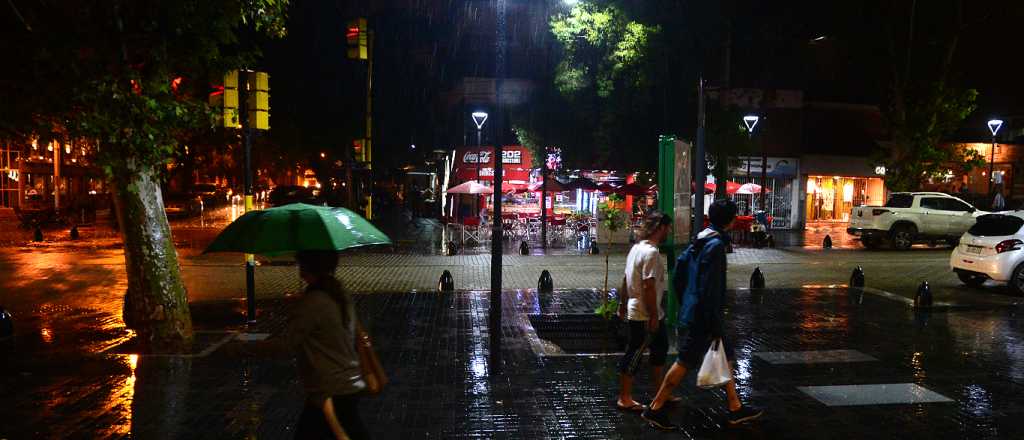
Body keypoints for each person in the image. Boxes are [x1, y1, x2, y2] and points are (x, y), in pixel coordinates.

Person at [641, 200, 762, 430]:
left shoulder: (699, 240)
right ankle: (655, 408)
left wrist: (686, 298)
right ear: (730, 220)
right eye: (734, 216)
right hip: (705, 316)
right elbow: (710, 288)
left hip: (698, 310)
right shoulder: (715, 245)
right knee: (685, 360)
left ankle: (735, 406)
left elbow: (678, 273)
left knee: (725, 355)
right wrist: (709, 316)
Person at [231, 250, 370, 439]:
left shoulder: (314, 301)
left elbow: (286, 345)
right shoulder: (339, 294)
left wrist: (242, 348)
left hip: (328, 391)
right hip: (347, 385)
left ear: (306, 267)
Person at [615, 212, 677, 412]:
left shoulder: (636, 249)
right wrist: (652, 316)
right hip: (644, 313)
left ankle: (660, 393)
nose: (669, 231)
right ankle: (624, 397)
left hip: (645, 311)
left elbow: (625, 280)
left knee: (660, 349)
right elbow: (648, 285)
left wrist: (622, 304)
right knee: (635, 353)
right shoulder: (651, 253)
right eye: (668, 228)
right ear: (660, 228)